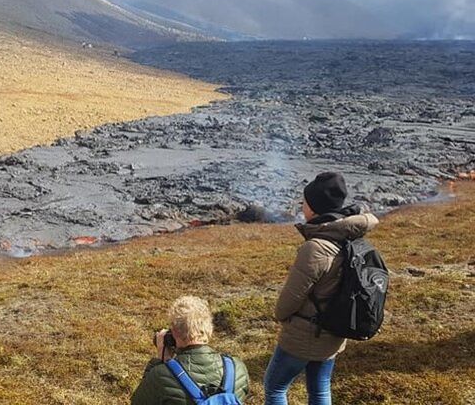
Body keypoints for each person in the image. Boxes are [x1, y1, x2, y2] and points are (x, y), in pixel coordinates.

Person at [264, 172, 380, 405]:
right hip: (334, 331)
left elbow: (288, 301)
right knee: (319, 389)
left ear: (315, 207)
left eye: (304, 202)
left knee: (275, 387)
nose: (302, 206)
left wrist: (280, 316)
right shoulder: (350, 237)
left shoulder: (316, 248)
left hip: (304, 334)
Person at [131, 295, 249, 405]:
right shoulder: (237, 368)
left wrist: (161, 360)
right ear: (209, 329)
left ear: (174, 333)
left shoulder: (161, 375)